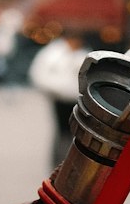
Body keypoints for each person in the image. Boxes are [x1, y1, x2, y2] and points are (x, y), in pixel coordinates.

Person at [27, 30, 89, 167]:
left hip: (76, 100)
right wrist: (57, 89)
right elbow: (39, 75)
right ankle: (58, 161)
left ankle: (69, 162)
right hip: (59, 98)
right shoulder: (52, 53)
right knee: (62, 131)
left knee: (74, 131)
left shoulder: (82, 54)